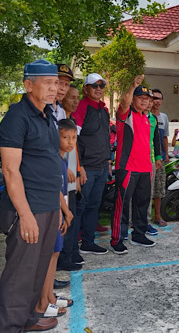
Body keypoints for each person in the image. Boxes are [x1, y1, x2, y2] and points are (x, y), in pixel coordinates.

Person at [0, 59, 63, 332]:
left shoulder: (48, 115)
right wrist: (24, 215)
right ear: (28, 85)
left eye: (56, 83)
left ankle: (27, 319)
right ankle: (11, 326)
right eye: (47, 83)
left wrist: (60, 208)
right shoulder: (17, 117)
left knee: (36, 271)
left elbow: (49, 161)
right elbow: (10, 171)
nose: (54, 88)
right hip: (28, 208)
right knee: (20, 274)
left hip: (48, 206)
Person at [109, 76, 159, 254]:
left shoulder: (147, 117)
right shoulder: (126, 115)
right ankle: (117, 239)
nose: (145, 101)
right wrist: (133, 85)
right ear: (133, 99)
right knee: (122, 205)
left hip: (145, 168)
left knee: (142, 203)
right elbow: (123, 103)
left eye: (147, 99)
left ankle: (138, 234)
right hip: (128, 167)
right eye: (141, 98)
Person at [35, 119, 76, 319]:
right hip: (54, 213)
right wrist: (65, 212)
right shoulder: (53, 159)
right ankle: (43, 301)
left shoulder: (62, 159)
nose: (70, 142)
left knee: (55, 255)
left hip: (59, 213)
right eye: (65, 137)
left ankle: (50, 296)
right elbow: (54, 189)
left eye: (74, 138)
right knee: (49, 257)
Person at [73, 73, 111, 256]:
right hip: (86, 168)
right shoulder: (81, 107)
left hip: (102, 166)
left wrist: (108, 162)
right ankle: (72, 246)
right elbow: (73, 139)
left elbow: (105, 138)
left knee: (94, 206)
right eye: (94, 86)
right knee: (80, 206)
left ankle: (88, 242)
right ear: (85, 88)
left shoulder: (104, 110)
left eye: (101, 86)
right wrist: (79, 167)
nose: (98, 89)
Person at [57, 85, 86, 272]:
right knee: (64, 218)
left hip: (72, 176)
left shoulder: (71, 120)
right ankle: (63, 258)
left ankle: (71, 252)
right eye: (72, 97)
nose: (76, 101)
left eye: (77, 97)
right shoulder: (58, 120)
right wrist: (68, 169)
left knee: (73, 216)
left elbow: (73, 149)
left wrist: (78, 169)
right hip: (62, 177)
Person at [151, 89, 169, 228]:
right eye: (155, 98)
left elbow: (164, 138)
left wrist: (166, 154)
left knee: (159, 188)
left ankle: (157, 215)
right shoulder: (145, 115)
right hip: (146, 158)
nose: (157, 101)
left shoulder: (164, 117)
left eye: (159, 98)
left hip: (160, 158)